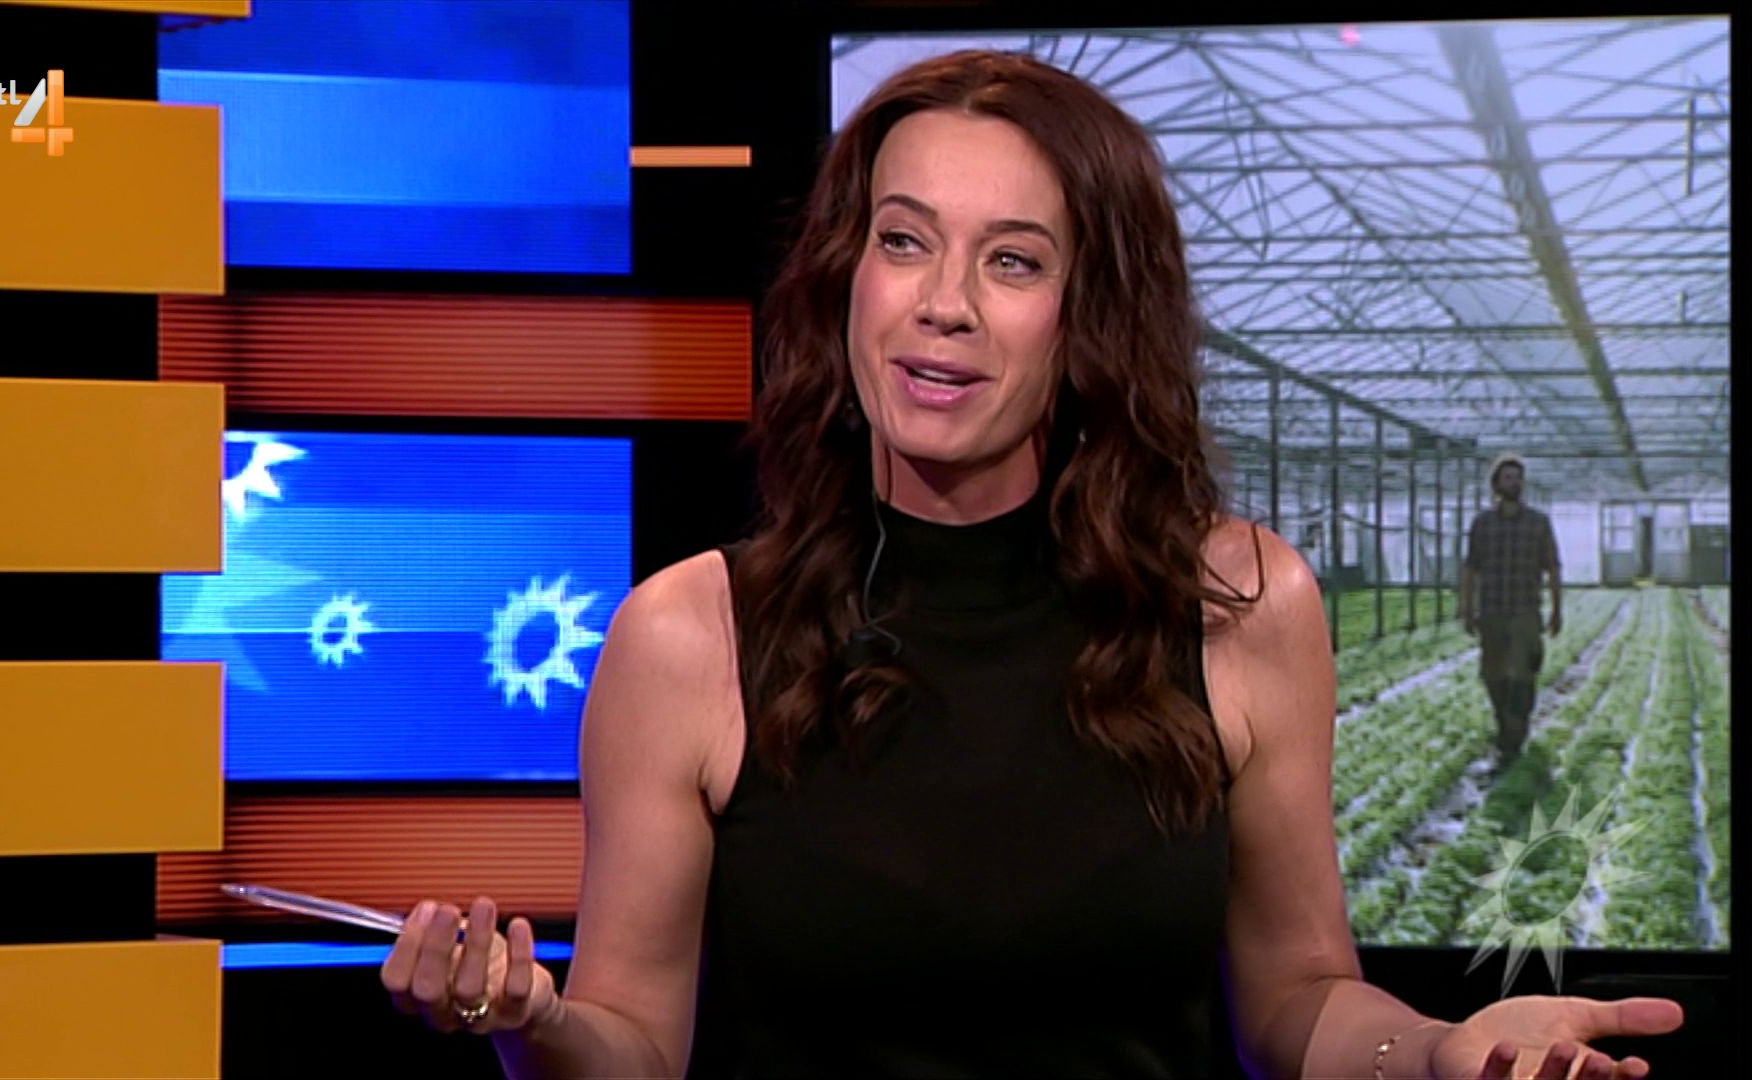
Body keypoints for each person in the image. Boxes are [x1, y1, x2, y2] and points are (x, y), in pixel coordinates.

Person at [380, 50, 1681, 1079]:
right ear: (847, 276)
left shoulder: (1241, 604)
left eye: (1012, 261)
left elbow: (1298, 999)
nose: (942, 302)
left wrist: (1443, 1051)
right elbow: (631, 1048)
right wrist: (528, 1022)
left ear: (1091, 315)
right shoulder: (690, 633)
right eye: (903, 240)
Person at [1459, 454, 1564, 766]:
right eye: (1507, 478)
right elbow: (1471, 568)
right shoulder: (1482, 524)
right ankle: (1505, 725)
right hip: (1492, 611)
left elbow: (1553, 567)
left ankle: (1514, 736)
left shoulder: (1538, 523)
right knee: (1494, 676)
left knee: (1523, 676)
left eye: (1518, 478)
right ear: (1496, 485)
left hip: (1525, 611)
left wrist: (1557, 610)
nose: (1514, 483)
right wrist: (1467, 608)